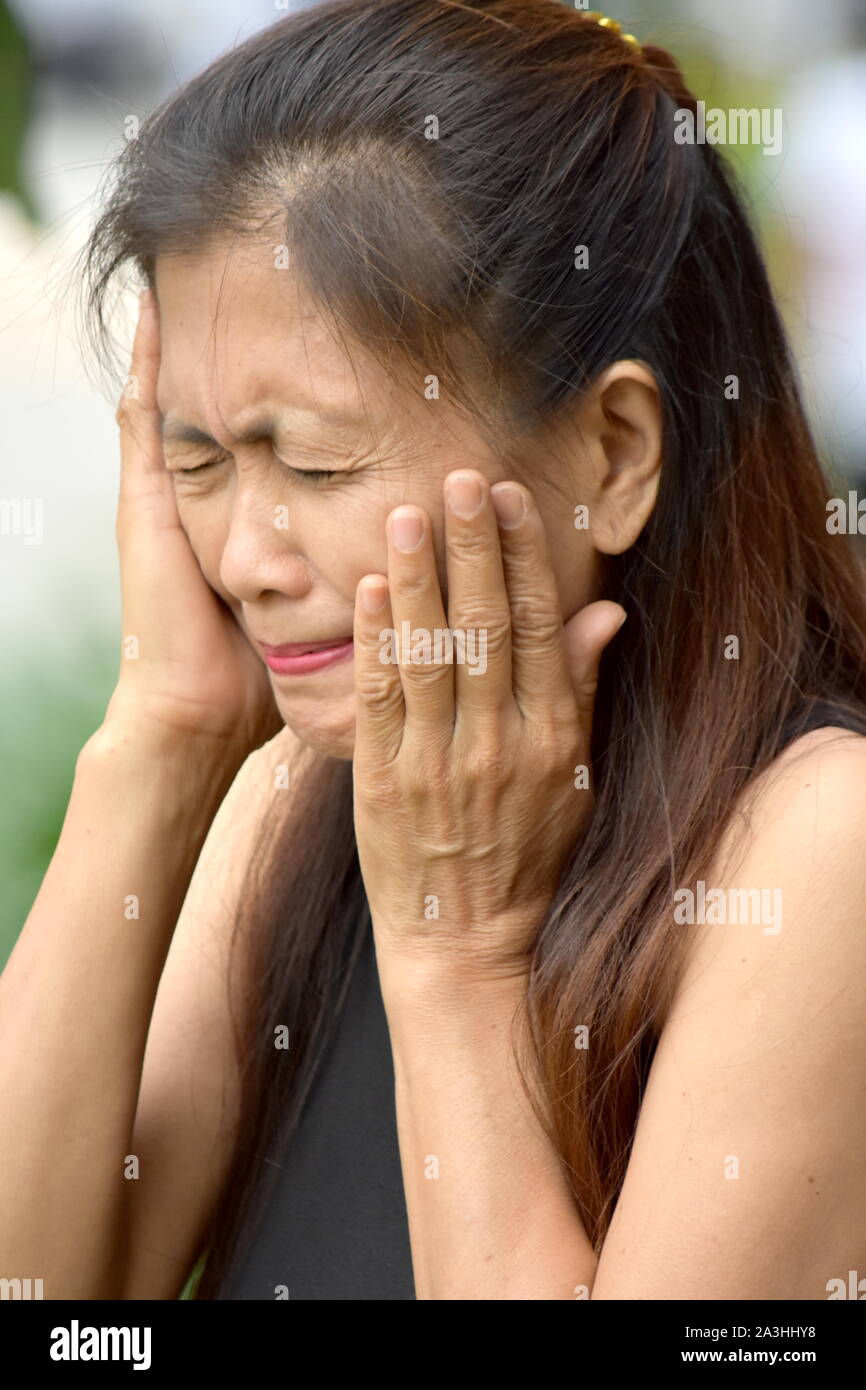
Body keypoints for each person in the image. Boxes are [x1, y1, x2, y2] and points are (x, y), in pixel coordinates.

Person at [3, 0, 866, 1302]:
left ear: (613, 454)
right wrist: (163, 738)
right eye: (199, 463)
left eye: (315, 463)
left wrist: (458, 954)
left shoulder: (812, 843)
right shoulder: (297, 794)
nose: (243, 559)